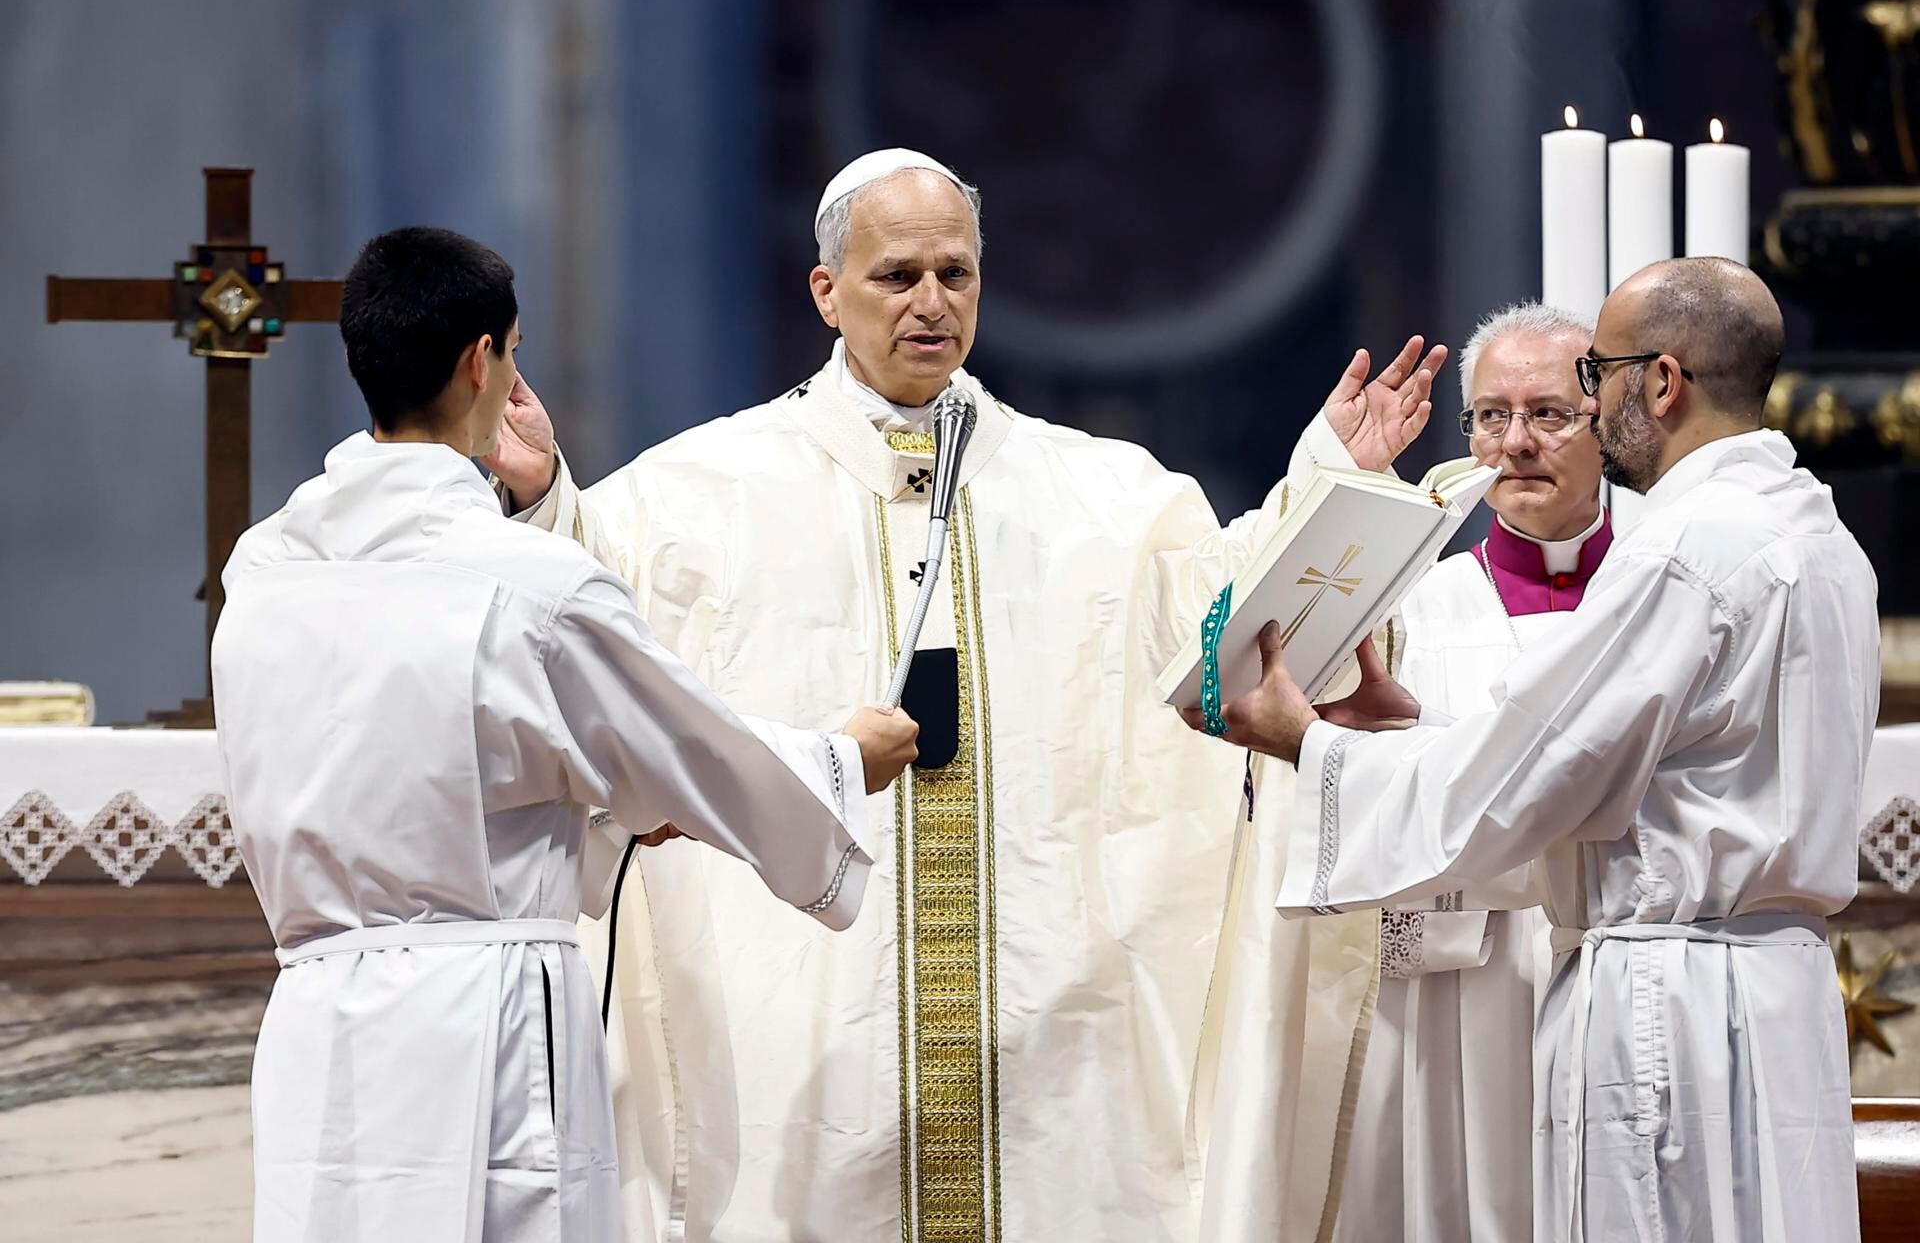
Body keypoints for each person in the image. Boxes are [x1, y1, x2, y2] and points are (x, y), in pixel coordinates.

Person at [484, 149, 1443, 1240]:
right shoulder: (701, 491)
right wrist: (546, 496)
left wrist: (1325, 477)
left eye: (957, 272)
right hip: (804, 1022)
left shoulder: (1100, 491)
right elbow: (591, 612)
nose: (933, 302)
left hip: (1050, 1026)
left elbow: (1219, 620)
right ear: (826, 290)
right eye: (898, 276)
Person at [211, 227, 918, 1242]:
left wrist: (602, 821)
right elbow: (693, 749)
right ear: (481, 361)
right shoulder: (530, 587)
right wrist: (843, 758)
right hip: (488, 1026)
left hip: (322, 1019)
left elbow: (414, 776)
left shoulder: (265, 574)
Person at [1189, 257, 1876, 1243]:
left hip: (1667, 1001)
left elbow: (1531, 773)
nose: (1569, 416)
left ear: (1664, 381)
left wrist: (1316, 747)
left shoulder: (1682, 551)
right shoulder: (1823, 538)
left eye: (1589, 382)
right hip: (1769, 998)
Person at [1332, 301, 1605, 1243]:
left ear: (1605, 418)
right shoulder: (1415, 600)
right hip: (1463, 991)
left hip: (1610, 961)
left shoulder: (1661, 581)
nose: (1517, 443)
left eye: (1549, 414)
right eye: (1492, 416)